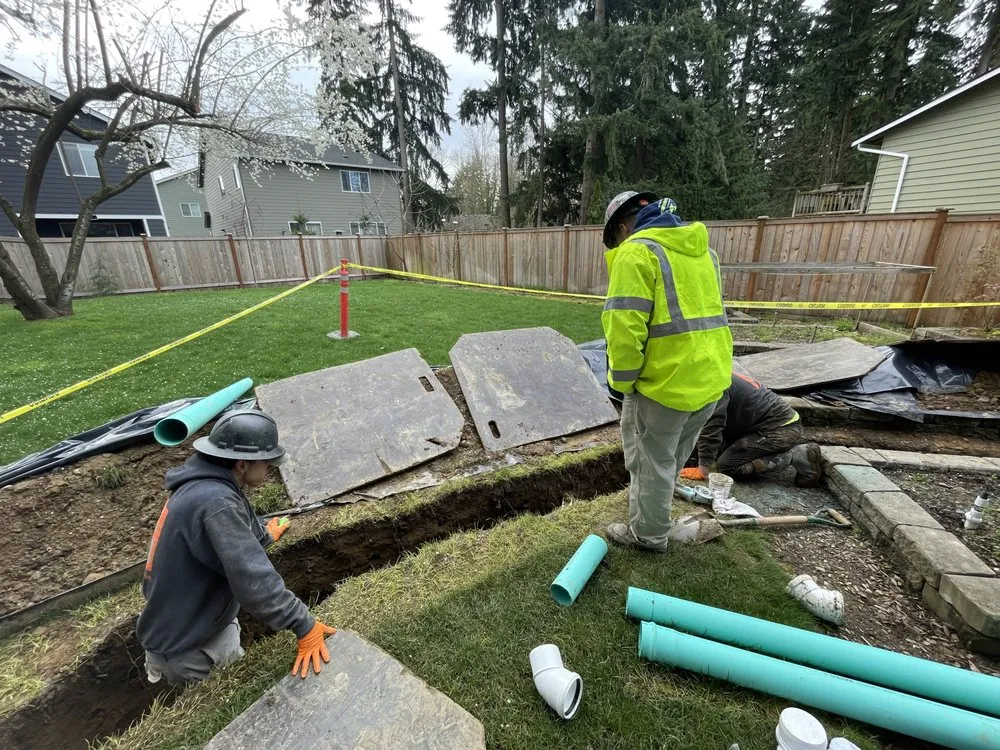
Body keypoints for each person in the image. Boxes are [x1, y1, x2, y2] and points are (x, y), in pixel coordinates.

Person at [137, 410, 336, 685]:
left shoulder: (210, 484)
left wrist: (263, 535)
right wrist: (304, 625)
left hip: (203, 623)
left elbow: (231, 528)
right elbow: (253, 579)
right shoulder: (215, 503)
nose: (270, 469)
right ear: (242, 464)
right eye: (267, 462)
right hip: (189, 649)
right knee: (231, 705)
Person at [601, 192, 733, 553]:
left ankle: (648, 535)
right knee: (670, 459)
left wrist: (622, 383)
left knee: (650, 464)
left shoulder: (636, 252)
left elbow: (624, 330)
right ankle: (654, 517)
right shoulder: (704, 252)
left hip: (665, 386)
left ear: (624, 227)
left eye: (617, 237)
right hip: (709, 382)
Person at [679, 371, 823, 486]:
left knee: (728, 466)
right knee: (713, 450)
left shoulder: (712, 384)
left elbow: (712, 426)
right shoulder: (714, 371)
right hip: (758, 425)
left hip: (780, 429)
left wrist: (703, 468)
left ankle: (794, 455)